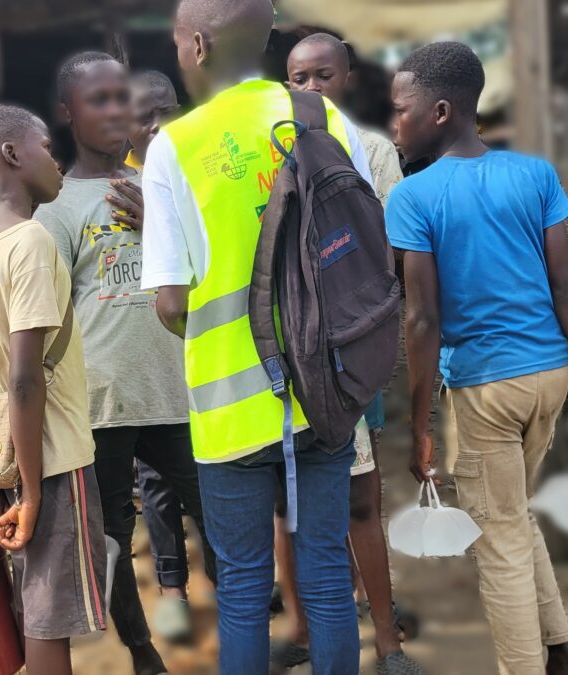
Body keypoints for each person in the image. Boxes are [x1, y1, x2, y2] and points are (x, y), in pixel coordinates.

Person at [140, 1, 375, 672]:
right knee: (328, 574)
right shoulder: (324, 118)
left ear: (198, 45)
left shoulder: (174, 148)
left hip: (229, 410)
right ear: (268, 36)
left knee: (243, 587)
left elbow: (170, 299)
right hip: (326, 390)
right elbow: (360, 250)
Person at [387, 41, 568, 675]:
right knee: (513, 515)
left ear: (439, 111)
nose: (394, 123)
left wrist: (420, 427)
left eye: (401, 109)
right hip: (551, 374)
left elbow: (423, 318)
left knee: (499, 543)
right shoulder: (535, 174)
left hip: (488, 389)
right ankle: (565, 651)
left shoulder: (412, 197)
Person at [35, 52, 216, 674]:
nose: (116, 113)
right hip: (101, 403)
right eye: (98, 100)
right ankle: (143, 654)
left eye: (123, 99)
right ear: (68, 113)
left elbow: (211, 268)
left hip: (177, 388)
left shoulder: (165, 185)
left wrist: (161, 225)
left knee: (219, 513)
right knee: (111, 536)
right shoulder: (53, 209)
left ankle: (239, 622)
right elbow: (49, 315)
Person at [272, 31, 419, 675]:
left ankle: (387, 640)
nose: (310, 90)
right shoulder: (268, 147)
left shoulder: (373, 150)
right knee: (287, 502)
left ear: (348, 79)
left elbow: (387, 253)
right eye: (298, 79)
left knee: (361, 497)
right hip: (284, 348)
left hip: (350, 347)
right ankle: (302, 627)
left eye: (323, 76)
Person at [0, 102, 106, 675]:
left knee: (36, 603)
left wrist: (5, 478)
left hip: (13, 456)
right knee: (48, 619)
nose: (58, 159)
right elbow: (21, 377)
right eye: (45, 145)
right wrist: (36, 491)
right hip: (54, 456)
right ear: (12, 155)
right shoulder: (32, 242)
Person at [126, 67, 208, 642]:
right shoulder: (113, 181)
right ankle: (173, 588)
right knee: (155, 480)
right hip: (147, 355)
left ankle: (235, 577)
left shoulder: (198, 166)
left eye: (165, 109)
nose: (156, 124)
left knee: (214, 474)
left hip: (203, 344)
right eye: (141, 115)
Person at [126, 70, 182, 170]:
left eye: (167, 114)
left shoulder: (200, 165)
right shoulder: (119, 181)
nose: (158, 125)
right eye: (145, 118)